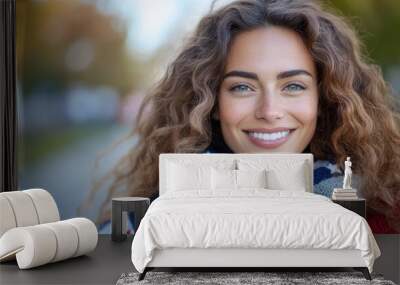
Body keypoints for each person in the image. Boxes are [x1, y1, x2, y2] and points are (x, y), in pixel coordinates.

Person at [87, 0, 400, 234]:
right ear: (211, 102)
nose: (269, 111)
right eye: (242, 87)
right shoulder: (154, 219)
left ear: (324, 97)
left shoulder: (381, 218)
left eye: (293, 85)